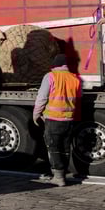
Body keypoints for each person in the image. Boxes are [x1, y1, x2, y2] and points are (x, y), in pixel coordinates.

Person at [33, 53, 82, 186]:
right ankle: (63, 174)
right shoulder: (75, 78)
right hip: (69, 120)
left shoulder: (50, 76)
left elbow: (42, 98)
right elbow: (78, 97)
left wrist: (36, 114)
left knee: (53, 147)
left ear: (55, 65)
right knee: (65, 148)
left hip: (53, 119)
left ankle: (58, 177)